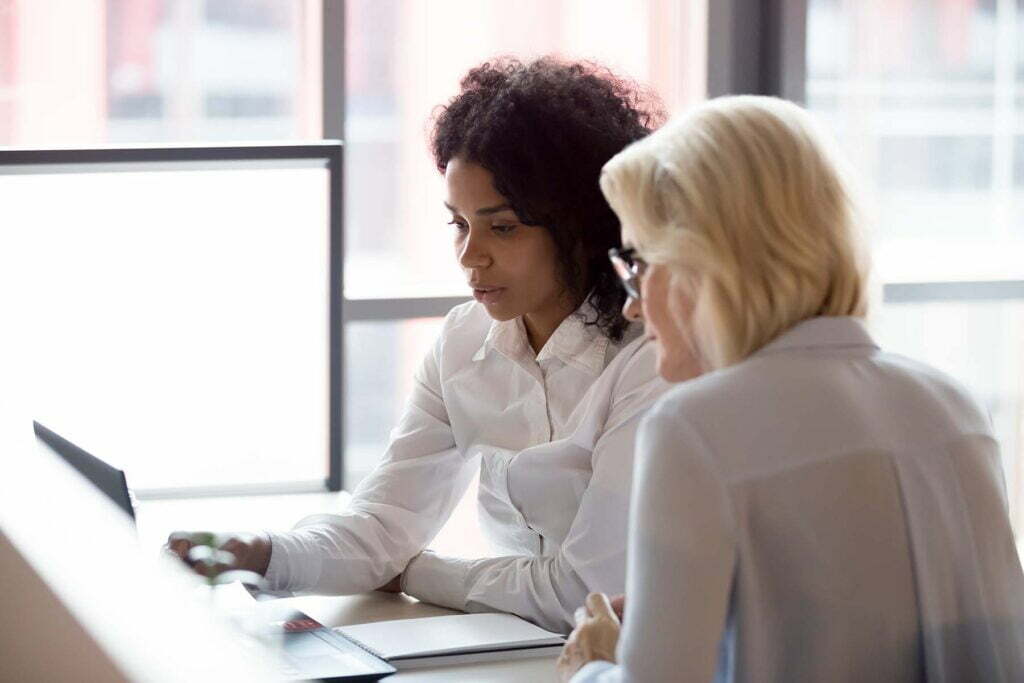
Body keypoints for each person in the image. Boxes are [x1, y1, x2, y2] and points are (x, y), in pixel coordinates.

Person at [169, 57, 670, 633]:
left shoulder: (651, 357)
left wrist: (418, 573)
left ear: (581, 225)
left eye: (501, 227)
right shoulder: (464, 341)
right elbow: (383, 526)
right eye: (459, 223)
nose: (469, 255)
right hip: (510, 649)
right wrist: (255, 551)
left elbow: (585, 592)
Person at [559, 95, 1024, 681]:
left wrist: (595, 663)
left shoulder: (695, 426)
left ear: (704, 262)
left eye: (638, 264)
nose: (632, 306)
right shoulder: (953, 405)